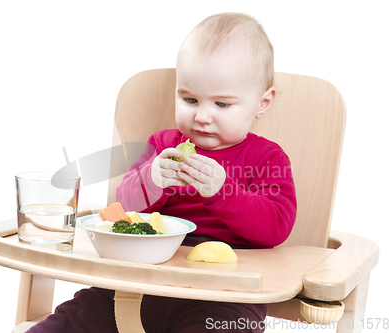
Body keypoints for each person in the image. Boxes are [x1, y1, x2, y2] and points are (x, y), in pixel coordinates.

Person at [27, 12, 297, 333]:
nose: (202, 116)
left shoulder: (268, 158)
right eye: (190, 99)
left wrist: (223, 192)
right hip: (135, 282)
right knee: (72, 319)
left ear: (263, 103)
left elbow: (277, 227)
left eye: (221, 105)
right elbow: (123, 210)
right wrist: (152, 180)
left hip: (225, 294)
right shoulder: (164, 145)